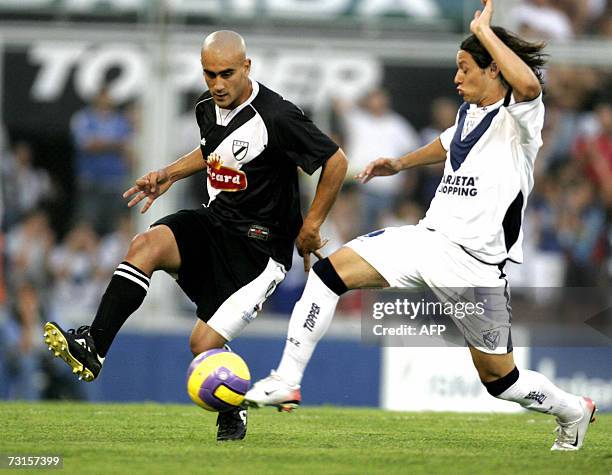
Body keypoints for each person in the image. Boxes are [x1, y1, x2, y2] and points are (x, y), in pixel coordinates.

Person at [245, 0, 596, 452]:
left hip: (475, 267)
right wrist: (399, 163)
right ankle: (285, 379)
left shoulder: (519, 117)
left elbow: (528, 84)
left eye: (466, 68)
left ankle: (572, 409)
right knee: (328, 274)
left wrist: (484, 31)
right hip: (427, 240)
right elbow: (448, 144)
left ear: (493, 71)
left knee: (500, 380)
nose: (457, 78)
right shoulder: (469, 114)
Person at [43, 31, 348, 441]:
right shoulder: (207, 108)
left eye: (226, 74)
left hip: (259, 251)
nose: (218, 84)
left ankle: (233, 407)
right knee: (145, 245)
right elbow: (212, 150)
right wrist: (167, 174)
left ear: (246, 67)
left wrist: (311, 224)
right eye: (209, 75)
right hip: (214, 222)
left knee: (201, 344)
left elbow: (335, 161)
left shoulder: (277, 116)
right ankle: (94, 346)